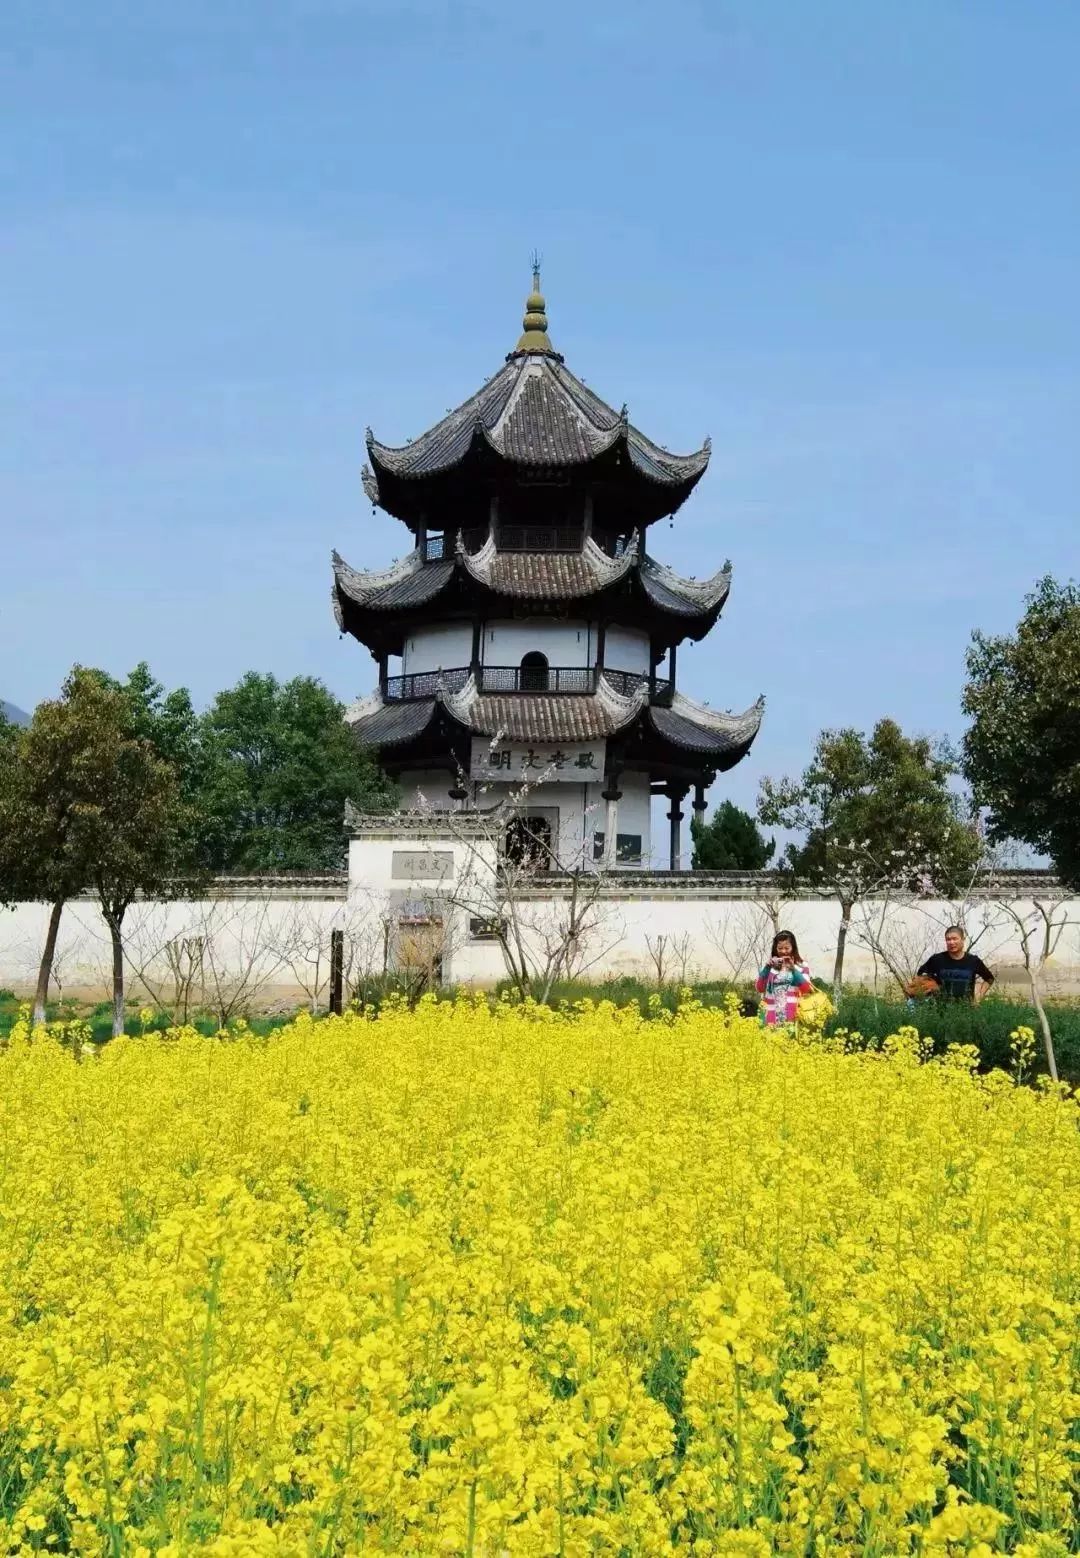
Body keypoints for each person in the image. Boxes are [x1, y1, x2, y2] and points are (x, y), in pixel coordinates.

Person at [915, 926, 995, 1003]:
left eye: (954, 939)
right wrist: (932, 987)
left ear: (963, 939)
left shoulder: (973, 961)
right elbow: (921, 975)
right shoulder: (937, 959)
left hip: (966, 1010)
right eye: (948, 939)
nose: (951, 942)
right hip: (941, 1012)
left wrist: (978, 998)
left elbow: (989, 979)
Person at [755, 930, 814, 1026]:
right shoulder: (771, 966)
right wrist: (766, 968)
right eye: (780, 948)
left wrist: (793, 970)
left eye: (787, 948)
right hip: (771, 1016)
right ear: (775, 948)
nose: (783, 951)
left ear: (793, 948)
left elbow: (807, 989)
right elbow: (759, 988)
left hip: (793, 1015)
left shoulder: (801, 965)